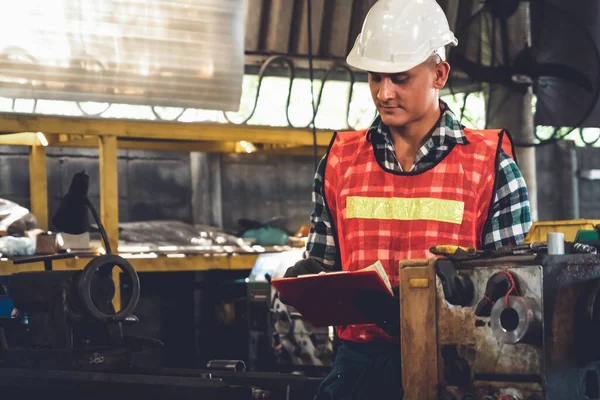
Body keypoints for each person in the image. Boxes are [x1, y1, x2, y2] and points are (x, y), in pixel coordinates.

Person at [282, 0, 532, 398]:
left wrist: (428, 310)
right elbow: (326, 269)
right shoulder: (340, 161)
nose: (384, 93)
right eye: (375, 77)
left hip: (455, 369)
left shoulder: (490, 165)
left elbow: (517, 295)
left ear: (439, 74)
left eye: (399, 78)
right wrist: (312, 279)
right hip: (357, 369)